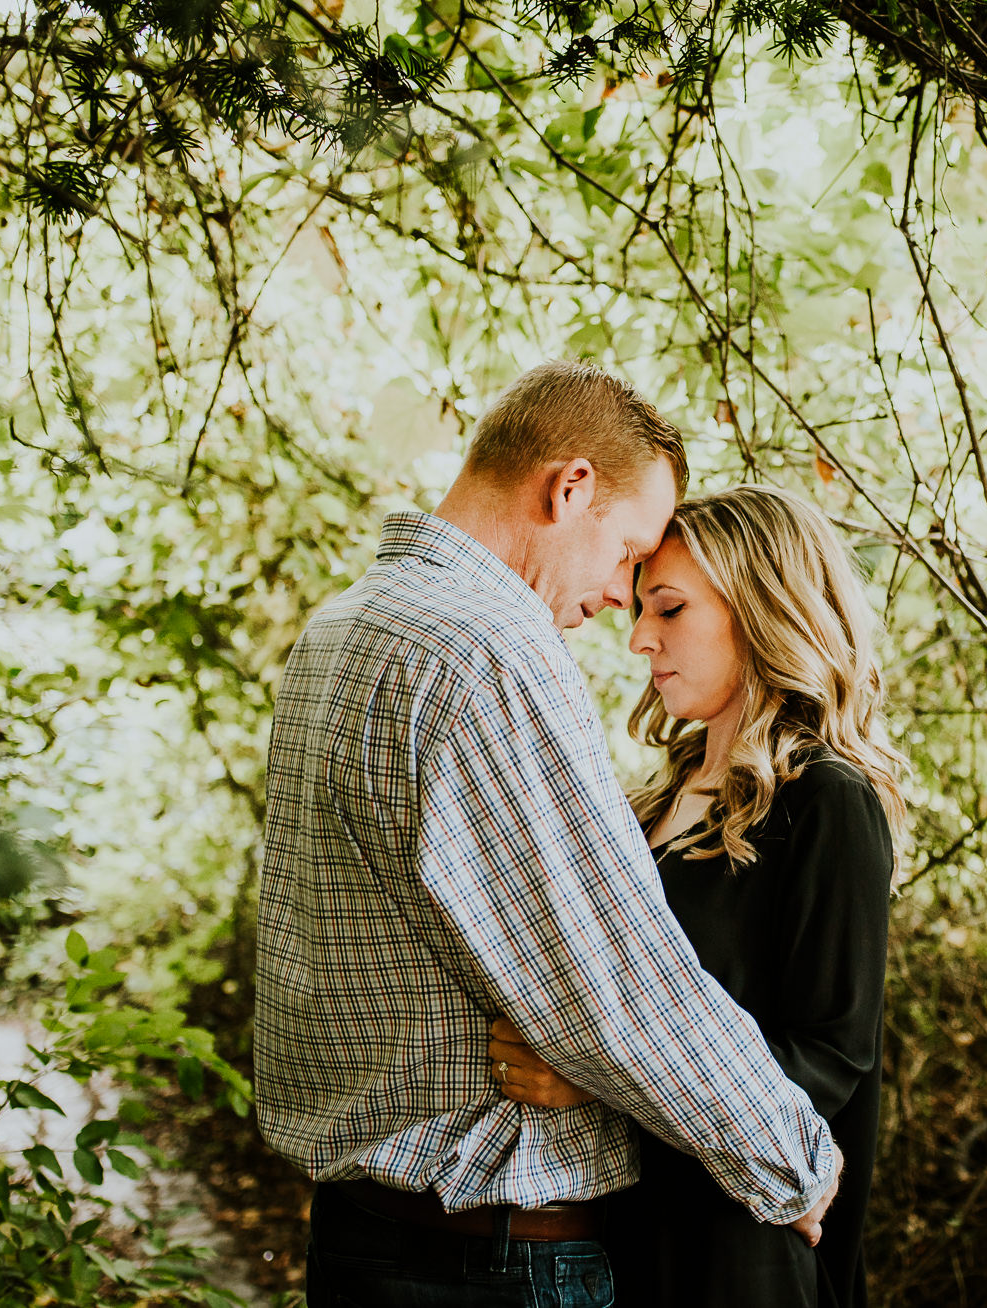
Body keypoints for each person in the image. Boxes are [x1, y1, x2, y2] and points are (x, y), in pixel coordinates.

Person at [252, 362, 840, 1308]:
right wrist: (793, 1158)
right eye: (626, 551)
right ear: (568, 490)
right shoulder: (491, 648)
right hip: (489, 1261)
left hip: (360, 1238)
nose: (620, 596)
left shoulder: (339, 629)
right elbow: (611, 982)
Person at [489, 484, 906, 1308]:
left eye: (671, 609)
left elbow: (828, 1060)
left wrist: (597, 1079)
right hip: (611, 1235)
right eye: (642, 608)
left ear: (759, 608)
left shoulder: (826, 801)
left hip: (737, 1254)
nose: (640, 637)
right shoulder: (647, 803)